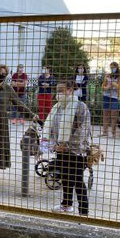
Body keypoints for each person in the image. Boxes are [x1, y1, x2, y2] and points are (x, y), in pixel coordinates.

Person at [42, 80, 91, 216]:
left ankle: (84, 211)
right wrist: (54, 144)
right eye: (57, 91)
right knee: (65, 178)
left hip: (76, 151)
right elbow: (52, 127)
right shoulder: (58, 107)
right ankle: (66, 204)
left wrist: (66, 145)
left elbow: (83, 130)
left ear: (70, 90)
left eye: (62, 90)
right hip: (61, 150)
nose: (59, 94)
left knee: (77, 180)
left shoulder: (80, 107)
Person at [101, 62, 120, 137]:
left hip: (115, 97)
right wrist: (107, 87)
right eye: (111, 67)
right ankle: (105, 132)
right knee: (105, 114)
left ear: (117, 67)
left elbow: (119, 87)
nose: (112, 69)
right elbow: (102, 86)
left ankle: (113, 132)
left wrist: (112, 82)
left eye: (113, 67)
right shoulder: (107, 75)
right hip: (106, 96)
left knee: (114, 115)